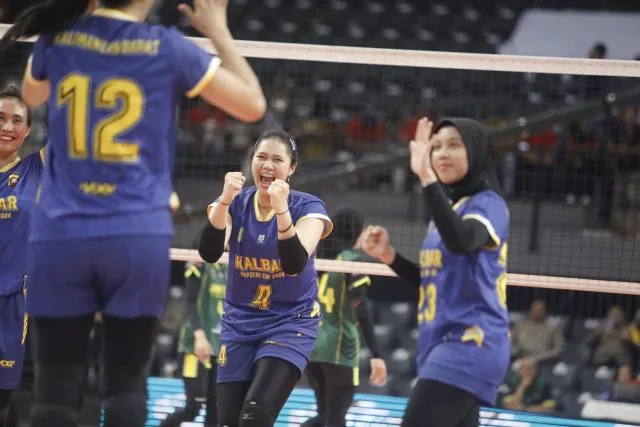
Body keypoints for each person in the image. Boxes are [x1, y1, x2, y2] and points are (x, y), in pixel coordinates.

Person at [4, 0, 266, 426]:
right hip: (136, 235)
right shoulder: (167, 46)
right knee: (125, 385)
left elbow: (31, 96)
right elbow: (253, 105)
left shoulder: (59, 39)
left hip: (61, 234)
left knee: (54, 392)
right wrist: (218, 29)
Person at [362, 117, 511, 427]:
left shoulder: (489, 204)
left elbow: (462, 240)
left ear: (475, 152)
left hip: (469, 343)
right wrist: (389, 256)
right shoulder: (449, 211)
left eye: (454, 145)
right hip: (441, 342)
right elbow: (432, 283)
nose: (442, 153)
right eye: (437, 146)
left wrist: (427, 178)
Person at [198, 128, 333, 427]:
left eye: (277, 160)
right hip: (239, 322)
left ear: (291, 168)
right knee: (227, 421)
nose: (268, 165)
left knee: (255, 416)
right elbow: (209, 252)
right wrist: (224, 201)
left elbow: (294, 263)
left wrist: (282, 211)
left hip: (289, 322)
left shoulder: (308, 207)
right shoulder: (235, 202)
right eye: (261, 157)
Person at [302, 207, 387, 427]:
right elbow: (362, 309)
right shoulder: (350, 259)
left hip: (313, 347)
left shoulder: (316, 257)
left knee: (324, 417)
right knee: (335, 420)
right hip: (340, 348)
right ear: (354, 231)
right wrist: (376, 354)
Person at [0, 85, 42, 427]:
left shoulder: (35, 170)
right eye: (1, 118)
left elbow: (75, 131)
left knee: (2, 401)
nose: (7, 126)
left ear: (27, 130)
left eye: (16, 120)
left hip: (12, 298)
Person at [160, 259, 227, 427]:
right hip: (194, 347)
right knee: (193, 408)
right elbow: (189, 303)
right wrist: (199, 336)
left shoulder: (234, 265)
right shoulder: (200, 262)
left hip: (221, 348)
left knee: (216, 410)